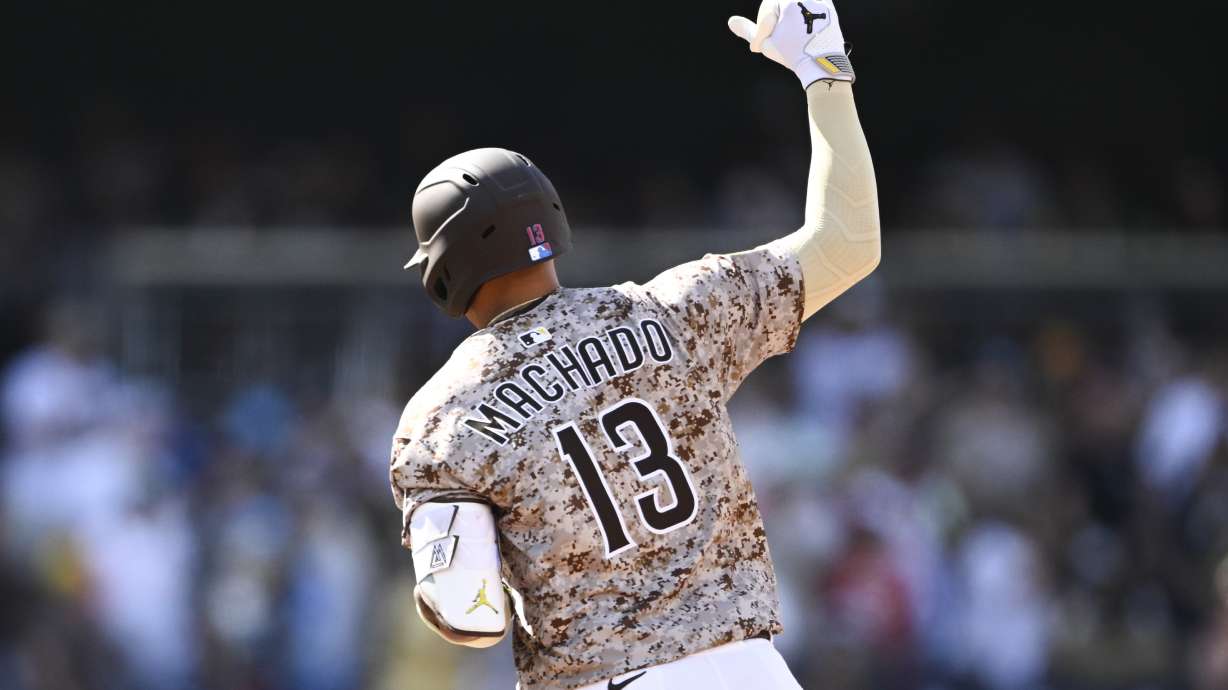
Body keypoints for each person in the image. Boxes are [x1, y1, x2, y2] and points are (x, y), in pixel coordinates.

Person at [389, 2, 880, 688]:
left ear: (442, 273)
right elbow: (848, 244)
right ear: (552, 222)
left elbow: (468, 612)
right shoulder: (673, 310)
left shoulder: (442, 416)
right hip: (754, 673)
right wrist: (822, 65)